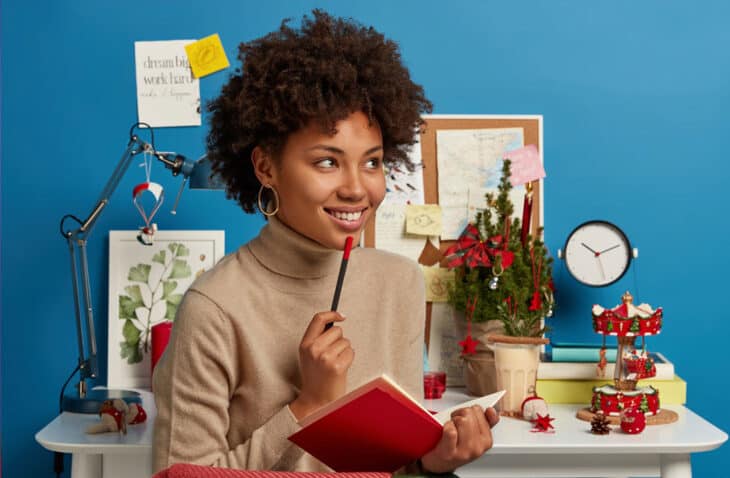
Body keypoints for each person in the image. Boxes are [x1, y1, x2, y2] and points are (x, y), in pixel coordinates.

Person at [153, 9, 498, 474]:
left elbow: (387, 469)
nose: (358, 188)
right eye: (327, 162)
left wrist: (432, 463)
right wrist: (309, 404)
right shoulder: (214, 308)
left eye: (372, 162)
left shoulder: (399, 282)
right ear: (266, 167)